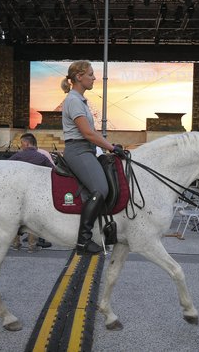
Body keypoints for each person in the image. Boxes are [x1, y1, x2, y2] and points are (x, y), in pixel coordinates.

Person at [60, 60, 125, 255]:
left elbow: (92, 135)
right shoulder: (73, 100)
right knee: (101, 188)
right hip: (78, 150)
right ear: (79, 77)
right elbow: (88, 133)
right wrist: (112, 148)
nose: (94, 78)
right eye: (90, 74)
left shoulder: (80, 100)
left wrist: (109, 148)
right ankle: (83, 240)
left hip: (86, 149)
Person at [8, 133, 54, 252]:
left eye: (22, 143)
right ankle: (32, 246)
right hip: (35, 194)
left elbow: (6, 169)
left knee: (15, 219)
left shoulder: (17, 156)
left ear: (27, 143)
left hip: (17, 193)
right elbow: (53, 171)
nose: (21, 145)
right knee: (34, 220)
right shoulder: (41, 157)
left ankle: (15, 244)